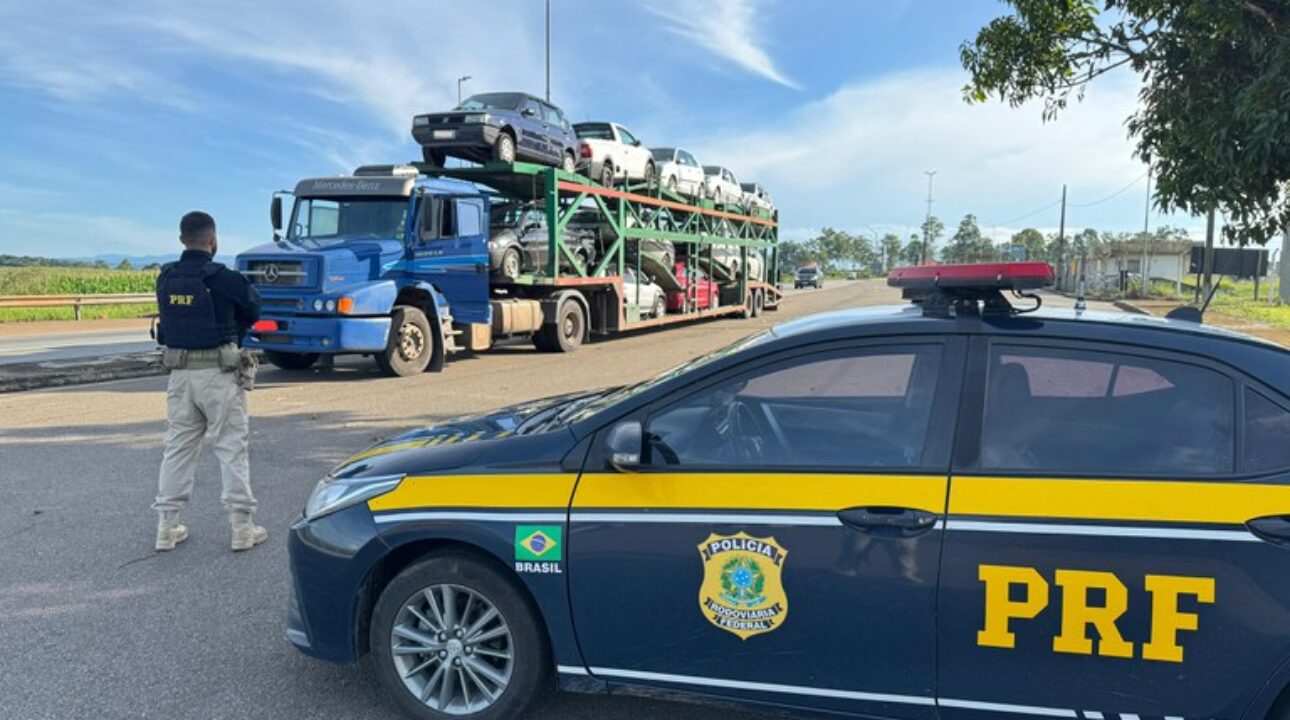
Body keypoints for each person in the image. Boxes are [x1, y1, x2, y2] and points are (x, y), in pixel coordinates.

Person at [153, 211, 267, 552]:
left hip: (180, 375)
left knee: (178, 448)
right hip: (220, 374)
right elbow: (253, 310)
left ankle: (166, 528)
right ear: (212, 241)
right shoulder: (223, 277)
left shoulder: (166, 277)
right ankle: (242, 528)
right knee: (231, 447)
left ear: (181, 239)